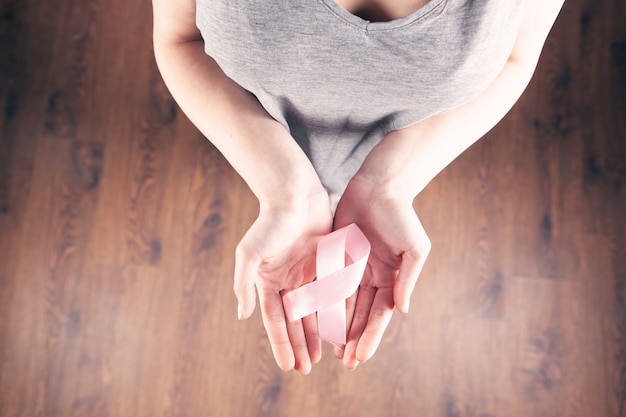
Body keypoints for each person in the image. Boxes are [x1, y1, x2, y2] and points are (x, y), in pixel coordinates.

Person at [152, 0, 565, 374]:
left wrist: (390, 185)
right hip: (254, 129)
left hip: (406, 147)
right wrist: (282, 186)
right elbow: (181, 38)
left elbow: (515, 57)